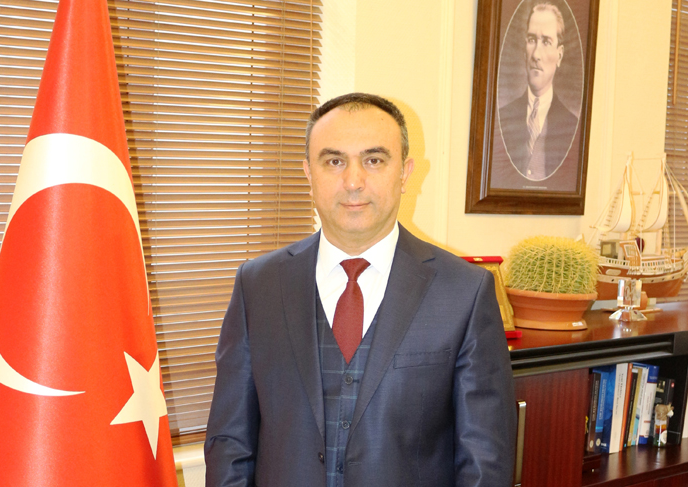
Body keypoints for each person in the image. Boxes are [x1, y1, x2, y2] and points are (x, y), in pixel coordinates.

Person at [205, 93, 516, 487]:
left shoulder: (465, 292)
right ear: (308, 173)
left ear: (404, 173)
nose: (353, 182)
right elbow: (230, 443)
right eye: (334, 161)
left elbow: (485, 461)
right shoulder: (257, 285)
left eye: (374, 160)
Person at [499, 2, 579, 181]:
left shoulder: (572, 125)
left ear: (559, 55)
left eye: (546, 42)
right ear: (524, 49)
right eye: (532, 40)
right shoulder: (501, 119)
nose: (536, 54)